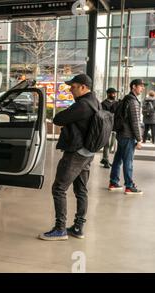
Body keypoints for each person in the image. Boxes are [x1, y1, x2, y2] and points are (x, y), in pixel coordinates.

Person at [40, 74, 99, 241]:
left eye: (72, 86)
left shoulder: (82, 105)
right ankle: (78, 227)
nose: (70, 89)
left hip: (76, 153)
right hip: (87, 153)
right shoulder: (95, 102)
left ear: (83, 87)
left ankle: (60, 229)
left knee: (59, 188)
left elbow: (58, 119)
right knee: (81, 190)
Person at [109, 79, 146, 195]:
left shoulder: (126, 99)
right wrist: (139, 139)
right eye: (141, 86)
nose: (142, 88)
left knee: (118, 159)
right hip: (128, 135)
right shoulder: (133, 101)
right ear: (133, 87)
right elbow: (135, 122)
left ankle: (114, 182)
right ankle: (129, 186)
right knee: (128, 161)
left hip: (122, 134)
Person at [100, 88, 118, 168]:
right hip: (106, 126)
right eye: (113, 93)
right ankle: (106, 160)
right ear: (108, 94)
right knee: (106, 144)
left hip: (115, 126)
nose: (114, 95)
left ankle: (104, 158)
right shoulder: (103, 103)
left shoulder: (117, 103)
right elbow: (103, 114)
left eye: (115, 93)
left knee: (112, 144)